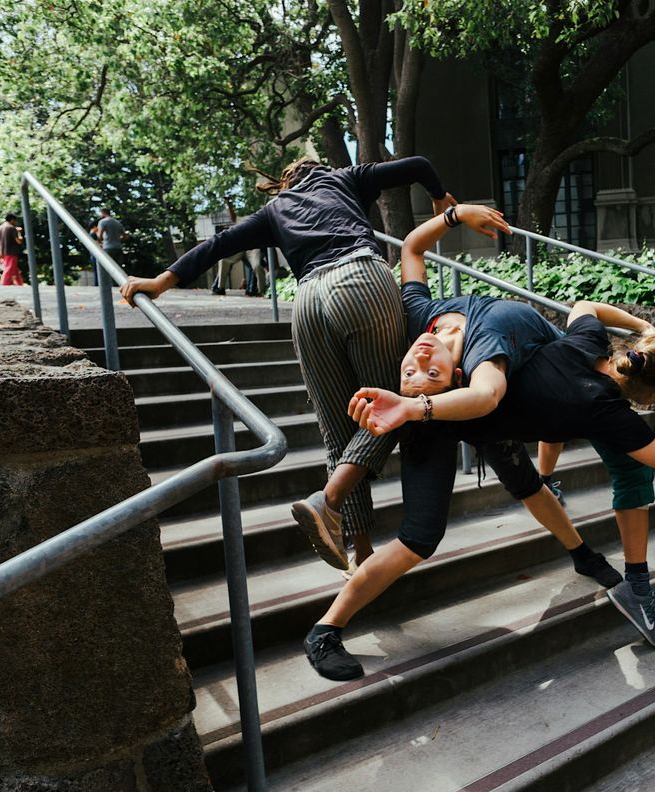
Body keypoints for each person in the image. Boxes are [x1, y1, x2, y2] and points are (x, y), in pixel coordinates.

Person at [303, 302, 655, 681]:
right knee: (419, 538)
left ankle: (583, 556)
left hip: (486, 415)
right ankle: (325, 630)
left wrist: (641, 326)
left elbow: (585, 305)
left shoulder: (587, 342)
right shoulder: (606, 412)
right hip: (441, 414)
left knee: (530, 485)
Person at [119, 156, 457, 574]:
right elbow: (419, 165)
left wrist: (159, 282)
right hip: (361, 281)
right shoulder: (346, 178)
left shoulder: (275, 210)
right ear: (321, 169)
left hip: (309, 300)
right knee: (391, 407)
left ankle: (360, 550)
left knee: (339, 429)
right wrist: (441, 201)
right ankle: (327, 501)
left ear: (285, 184)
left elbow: (218, 244)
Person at [298, 202, 621, 586]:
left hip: (470, 412)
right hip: (456, 418)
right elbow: (486, 396)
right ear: (454, 377)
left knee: (528, 484)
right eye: (418, 372)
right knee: (425, 532)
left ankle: (583, 555)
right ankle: (343, 571)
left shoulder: (418, 317)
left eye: (414, 371)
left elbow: (412, 248)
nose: (419, 357)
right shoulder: (482, 352)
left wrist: (456, 215)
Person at [0, 213, 25, 286]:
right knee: (9, 268)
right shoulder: (11, 228)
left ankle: (20, 284)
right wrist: (19, 233)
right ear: (12, 220)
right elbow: (19, 241)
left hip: (2, 252)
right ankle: (4, 284)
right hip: (11, 252)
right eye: (15, 221)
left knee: (14, 269)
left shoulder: (0, 228)